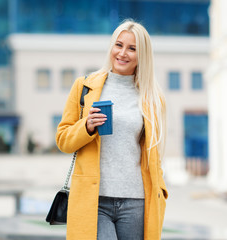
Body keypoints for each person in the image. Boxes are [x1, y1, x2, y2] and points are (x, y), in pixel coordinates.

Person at [56, 19, 168, 240]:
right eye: (119, 45)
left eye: (132, 48)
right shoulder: (85, 86)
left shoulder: (152, 99)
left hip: (136, 201)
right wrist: (86, 127)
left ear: (142, 55)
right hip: (94, 199)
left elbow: (153, 155)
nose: (123, 53)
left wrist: (161, 190)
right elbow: (63, 140)